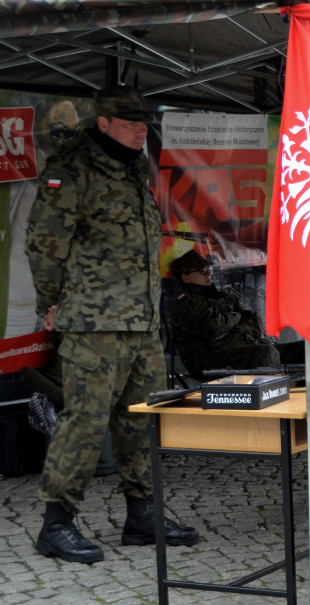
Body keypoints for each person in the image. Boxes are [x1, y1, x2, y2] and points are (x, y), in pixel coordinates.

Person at [24, 85, 199, 564]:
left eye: (142, 121)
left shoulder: (134, 166)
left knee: (142, 416)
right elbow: (44, 243)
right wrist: (52, 304)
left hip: (140, 320)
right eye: (128, 122)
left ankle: (142, 516)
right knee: (85, 421)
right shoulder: (72, 168)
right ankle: (55, 523)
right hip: (93, 321)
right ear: (103, 123)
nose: (140, 128)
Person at [168, 249, 281, 378]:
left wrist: (229, 327)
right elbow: (213, 326)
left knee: (300, 351)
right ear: (185, 277)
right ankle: (269, 394)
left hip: (243, 347)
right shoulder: (185, 300)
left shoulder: (221, 296)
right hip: (209, 359)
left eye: (208, 270)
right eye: (202, 271)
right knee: (266, 353)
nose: (208, 274)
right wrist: (236, 317)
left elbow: (252, 319)